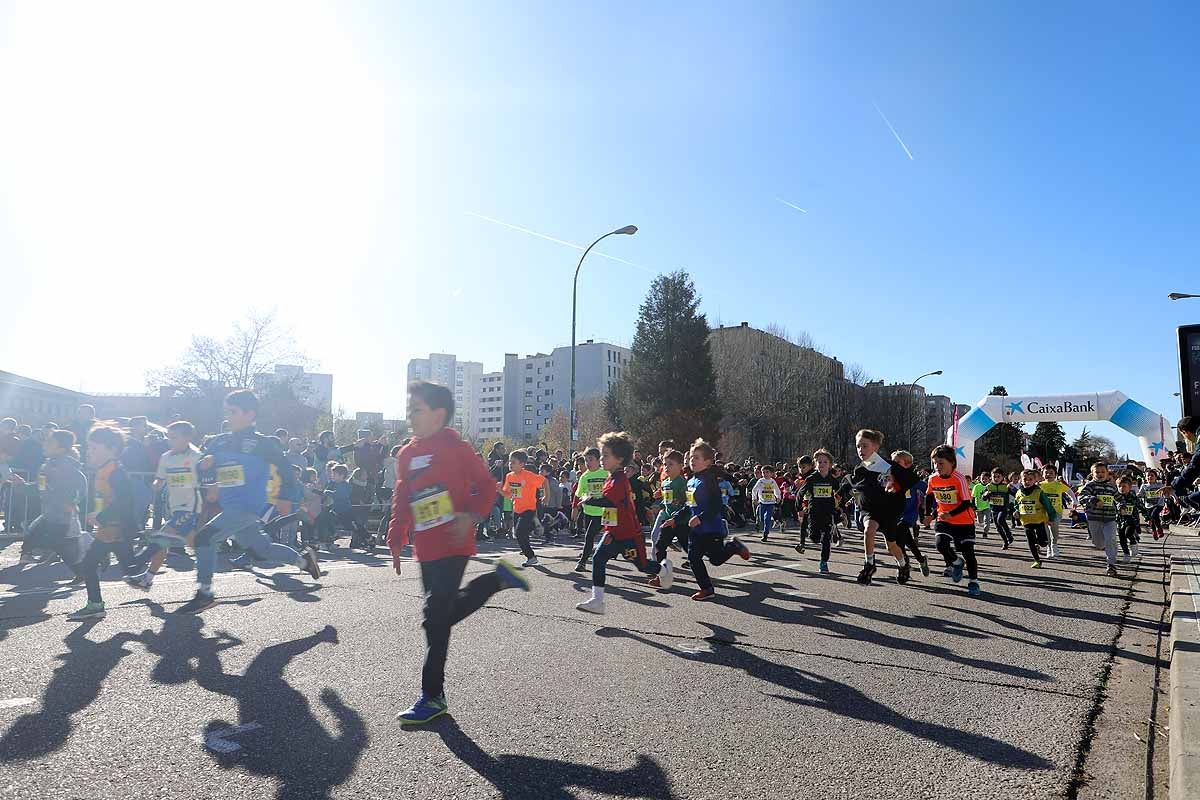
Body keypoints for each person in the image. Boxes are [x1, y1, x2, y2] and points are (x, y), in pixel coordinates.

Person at [388, 381, 528, 724]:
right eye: (409, 408)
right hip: (426, 545)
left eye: (416, 409)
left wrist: (472, 516)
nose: (410, 415)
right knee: (439, 618)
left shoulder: (456, 447)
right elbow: (403, 495)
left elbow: (486, 485)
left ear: (438, 415)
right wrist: (396, 536)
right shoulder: (406, 453)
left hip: (454, 541)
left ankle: (432, 696)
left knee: (434, 617)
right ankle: (498, 579)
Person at [180, 390, 320, 615]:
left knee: (205, 538)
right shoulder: (219, 441)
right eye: (226, 411)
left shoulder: (262, 443)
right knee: (261, 550)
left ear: (250, 414)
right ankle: (303, 560)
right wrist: (206, 468)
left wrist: (284, 497)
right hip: (230, 504)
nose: (228, 416)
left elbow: (285, 469)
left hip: (250, 506)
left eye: (233, 412)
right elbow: (203, 466)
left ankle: (204, 594)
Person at [575, 432, 670, 614]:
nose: (602, 459)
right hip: (613, 532)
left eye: (605, 455)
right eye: (601, 455)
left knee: (642, 566)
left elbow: (609, 502)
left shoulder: (619, 480)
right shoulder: (611, 478)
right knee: (598, 558)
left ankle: (663, 570)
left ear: (619, 459)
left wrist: (588, 500)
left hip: (629, 535)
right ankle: (597, 600)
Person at [659, 439, 749, 601]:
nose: (692, 461)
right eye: (691, 457)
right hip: (696, 529)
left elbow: (716, 504)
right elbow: (688, 504)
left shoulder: (708, 480)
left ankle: (733, 546)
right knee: (693, 558)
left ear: (707, 462)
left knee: (716, 560)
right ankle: (707, 589)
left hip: (711, 528)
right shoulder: (692, 480)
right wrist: (675, 519)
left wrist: (700, 518)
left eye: (697, 458)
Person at [69, 426, 144, 620]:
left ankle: (157, 547)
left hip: (117, 529)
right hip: (108, 529)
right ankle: (95, 605)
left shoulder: (117, 472)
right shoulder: (103, 470)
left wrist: (101, 516)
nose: (89, 452)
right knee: (99, 565)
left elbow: (124, 501)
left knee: (126, 570)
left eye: (94, 448)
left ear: (111, 449)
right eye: (89, 447)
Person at [125, 420, 204, 590]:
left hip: (190, 507)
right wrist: (156, 485)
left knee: (161, 537)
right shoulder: (166, 457)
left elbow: (208, 481)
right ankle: (208, 567)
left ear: (188, 437)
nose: (170, 441)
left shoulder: (197, 457)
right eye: (169, 437)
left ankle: (141, 570)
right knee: (195, 544)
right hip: (173, 507)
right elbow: (159, 479)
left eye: (174, 437)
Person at [11, 429, 88, 576]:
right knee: (34, 533)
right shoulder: (48, 464)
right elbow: (40, 488)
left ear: (61, 449)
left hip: (60, 516)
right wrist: (22, 486)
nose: (45, 444)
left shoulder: (66, 466)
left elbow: (81, 486)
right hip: (49, 513)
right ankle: (28, 555)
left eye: (50, 442)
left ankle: (83, 571)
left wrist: (71, 501)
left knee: (60, 546)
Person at [922, 445, 981, 597]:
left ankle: (973, 581)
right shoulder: (933, 478)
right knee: (940, 544)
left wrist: (952, 513)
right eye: (934, 463)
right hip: (944, 519)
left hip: (964, 521)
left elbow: (967, 502)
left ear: (952, 463)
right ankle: (956, 562)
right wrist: (928, 514)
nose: (937, 467)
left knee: (968, 553)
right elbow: (929, 496)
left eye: (941, 463)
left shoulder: (959, 478)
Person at [797, 448, 840, 573]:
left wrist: (842, 509)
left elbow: (839, 494)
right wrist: (799, 508)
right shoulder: (811, 479)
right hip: (814, 512)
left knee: (826, 538)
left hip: (828, 512)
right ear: (815, 464)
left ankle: (823, 562)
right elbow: (800, 494)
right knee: (815, 538)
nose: (822, 464)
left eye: (825, 462)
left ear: (830, 464)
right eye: (819, 462)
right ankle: (814, 536)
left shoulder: (832, 480)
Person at [500, 450, 545, 567]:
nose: (510, 464)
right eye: (510, 461)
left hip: (529, 509)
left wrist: (546, 496)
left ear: (522, 464)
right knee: (519, 534)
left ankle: (531, 556)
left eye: (513, 462)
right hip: (517, 509)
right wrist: (499, 490)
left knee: (520, 533)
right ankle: (535, 526)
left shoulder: (528, 476)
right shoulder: (509, 476)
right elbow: (508, 494)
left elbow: (543, 481)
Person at [1078, 462, 1121, 577]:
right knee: (1098, 543)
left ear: (1107, 473)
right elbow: (1081, 497)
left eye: (1103, 472)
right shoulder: (1090, 485)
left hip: (1110, 518)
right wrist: (1093, 500)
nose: (1100, 474)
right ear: (1092, 474)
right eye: (1097, 472)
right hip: (1094, 518)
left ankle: (1111, 564)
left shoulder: (1111, 487)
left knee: (1110, 538)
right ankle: (1105, 545)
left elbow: (1119, 499)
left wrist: (1121, 506)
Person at [651, 449, 689, 571]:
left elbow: (688, 502)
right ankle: (662, 571)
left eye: (671, 464)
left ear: (680, 466)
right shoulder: (664, 483)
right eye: (665, 464)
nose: (667, 467)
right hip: (667, 520)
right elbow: (667, 500)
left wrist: (679, 511)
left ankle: (697, 566)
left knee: (689, 548)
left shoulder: (683, 483)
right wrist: (661, 504)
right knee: (659, 546)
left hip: (681, 522)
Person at [572, 447, 609, 572]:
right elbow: (579, 494)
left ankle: (582, 562)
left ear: (599, 460)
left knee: (589, 536)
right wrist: (580, 502)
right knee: (590, 537)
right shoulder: (584, 476)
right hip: (588, 511)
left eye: (591, 460)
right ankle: (599, 554)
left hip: (603, 512)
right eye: (586, 460)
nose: (588, 463)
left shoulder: (606, 473)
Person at [1013, 469, 1058, 568]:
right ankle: (1037, 560)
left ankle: (1040, 543)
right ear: (1021, 480)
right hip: (1026, 521)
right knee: (1030, 541)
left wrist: (1051, 517)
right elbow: (1016, 505)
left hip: (1039, 520)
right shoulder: (1019, 492)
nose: (1027, 481)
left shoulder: (1039, 492)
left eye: (1030, 479)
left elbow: (1048, 505)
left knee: (1043, 542)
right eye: (1025, 479)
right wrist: (1016, 512)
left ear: (1035, 480)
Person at [1039, 466, 1075, 558]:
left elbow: (1069, 491)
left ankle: (1054, 545)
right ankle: (1049, 548)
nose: (1049, 475)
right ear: (1042, 474)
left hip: (1056, 512)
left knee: (1054, 528)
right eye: (1046, 473)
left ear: (1055, 474)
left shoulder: (1059, 485)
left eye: (1051, 473)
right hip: (1043, 512)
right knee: (1046, 531)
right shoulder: (1039, 485)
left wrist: (1074, 500)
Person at [984, 468, 1015, 548]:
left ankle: (1009, 535)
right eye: (994, 477)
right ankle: (1005, 541)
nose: (996, 478)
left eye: (998, 477)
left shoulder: (1005, 486)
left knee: (1000, 519)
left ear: (1002, 477)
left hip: (1004, 508)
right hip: (994, 509)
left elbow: (1016, 494)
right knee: (998, 527)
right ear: (991, 477)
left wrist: (1012, 488)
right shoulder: (989, 486)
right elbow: (983, 498)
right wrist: (986, 494)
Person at [1115, 476, 1143, 563]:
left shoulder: (1133, 497)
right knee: (1122, 538)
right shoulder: (1115, 498)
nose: (1121, 488)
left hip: (1132, 520)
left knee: (1128, 533)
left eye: (1124, 486)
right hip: (1120, 521)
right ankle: (1126, 554)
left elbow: (1141, 507)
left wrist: (1148, 517)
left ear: (1130, 487)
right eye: (1119, 486)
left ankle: (1133, 543)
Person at [751, 465, 780, 542]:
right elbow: (754, 490)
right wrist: (754, 499)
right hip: (762, 502)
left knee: (767, 518)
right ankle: (765, 525)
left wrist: (778, 497)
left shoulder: (772, 481)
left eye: (767, 472)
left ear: (771, 473)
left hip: (770, 503)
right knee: (761, 519)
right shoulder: (760, 481)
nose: (765, 474)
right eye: (763, 472)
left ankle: (765, 534)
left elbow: (776, 490)